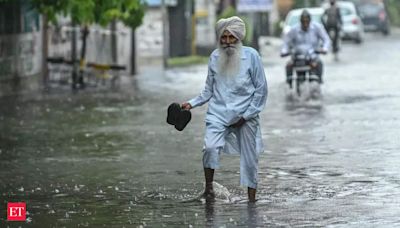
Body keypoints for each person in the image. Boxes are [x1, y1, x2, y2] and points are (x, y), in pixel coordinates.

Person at [181, 16, 268, 202]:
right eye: (224, 37)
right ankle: (209, 189)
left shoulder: (252, 56)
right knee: (210, 148)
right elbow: (208, 90)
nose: (227, 42)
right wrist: (191, 103)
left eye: (231, 37)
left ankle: (252, 200)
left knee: (250, 159)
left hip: (246, 114)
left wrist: (246, 116)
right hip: (218, 113)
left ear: (239, 38)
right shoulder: (214, 57)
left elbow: (261, 90)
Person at [281, 10, 330, 87]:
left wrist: (325, 49)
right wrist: (284, 51)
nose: (305, 24)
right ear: (300, 21)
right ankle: (289, 84)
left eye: (307, 21)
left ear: (310, 21)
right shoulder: (294, 30)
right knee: (288, 65)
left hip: (312, 57)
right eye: (303, 21)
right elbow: (286, 42)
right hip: (297, 58)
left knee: (319, 63)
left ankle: (319, 81)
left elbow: (326, 39)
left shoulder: (317, 28)